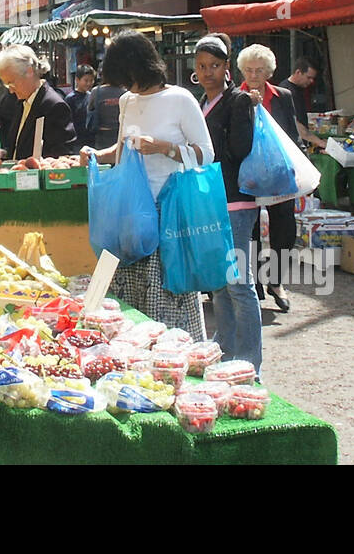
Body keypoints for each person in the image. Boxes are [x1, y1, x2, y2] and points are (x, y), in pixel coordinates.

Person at [80, 30, 215, 339]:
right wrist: (95, 156)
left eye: (129, 79)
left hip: (168, 214)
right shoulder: (127, 101)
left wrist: (164, 147)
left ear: (141, 68)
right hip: (131, 216)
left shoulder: (180, 99)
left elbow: (206, 154)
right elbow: (121, 149)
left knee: (167, 301)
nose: (128, 87)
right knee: (132, 302)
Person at [194, 33, 263, 376]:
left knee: (238, 285)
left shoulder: (237, 101)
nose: (208, 72)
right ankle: (226, 355)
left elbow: (239, 149)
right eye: (203, 65)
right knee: (220, 285)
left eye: (215, 66)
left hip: (236, 202)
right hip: (212, 201)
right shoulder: (201, 102)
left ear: (226, 67)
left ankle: (250, 362)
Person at [237, 44, 299, 314]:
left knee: (284, 226)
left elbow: (293, 134)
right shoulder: (235, 97)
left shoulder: (283, 96)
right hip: (246, 175)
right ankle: (252, 284)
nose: (253, 75)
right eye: (249, 70)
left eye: (259, 70)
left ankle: (277, 282)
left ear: (268, 72)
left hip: (277, 173)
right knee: (248, 230)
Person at [0, 45, 77, 162]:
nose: (10, 90)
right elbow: (19, 151)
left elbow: (61, 158)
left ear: (29, 71)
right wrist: (3, 155)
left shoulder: (54, 106)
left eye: (11, 83)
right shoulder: (21, 102)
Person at [279, 57, 327, 151]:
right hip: (290, 147)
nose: (311, 81)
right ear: (298, 72)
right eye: (308, 77)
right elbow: (296, 124)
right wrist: (320, 142)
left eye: (313, 78)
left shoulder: (299, 89)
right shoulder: (286, 91)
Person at [86, 76, 126, 150]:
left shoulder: (96, 91)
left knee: (101, 158)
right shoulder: (124, 92)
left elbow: (90, 109)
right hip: (119, 133)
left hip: (101, 133)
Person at [65, 65, 96, 146]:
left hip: (90, 140)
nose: (89, 83)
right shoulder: (70, 99)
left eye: (91, 80)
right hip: (76, 141)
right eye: (86, 80)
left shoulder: (91, 96)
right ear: (77, 80)